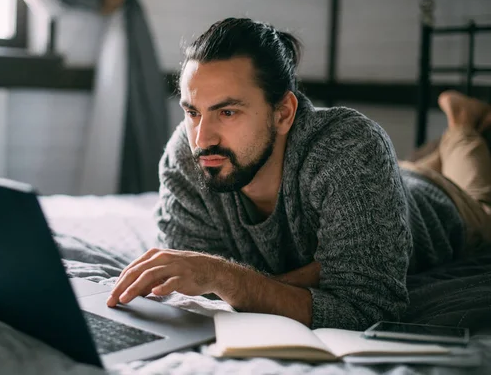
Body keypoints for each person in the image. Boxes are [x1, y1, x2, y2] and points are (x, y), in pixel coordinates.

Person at [106, 18, 491, 330]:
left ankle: (462, 126)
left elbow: (367, 304)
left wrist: (228, 278)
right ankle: (450, 138)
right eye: (192, 112)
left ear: (284, 113)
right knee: (412, 163)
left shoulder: (349, 147)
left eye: (227, 112)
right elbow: (195, 286)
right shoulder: (187, 154)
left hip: (445, 205)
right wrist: (311, 273)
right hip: (383, 179)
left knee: (479, 197)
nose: (202, 138)